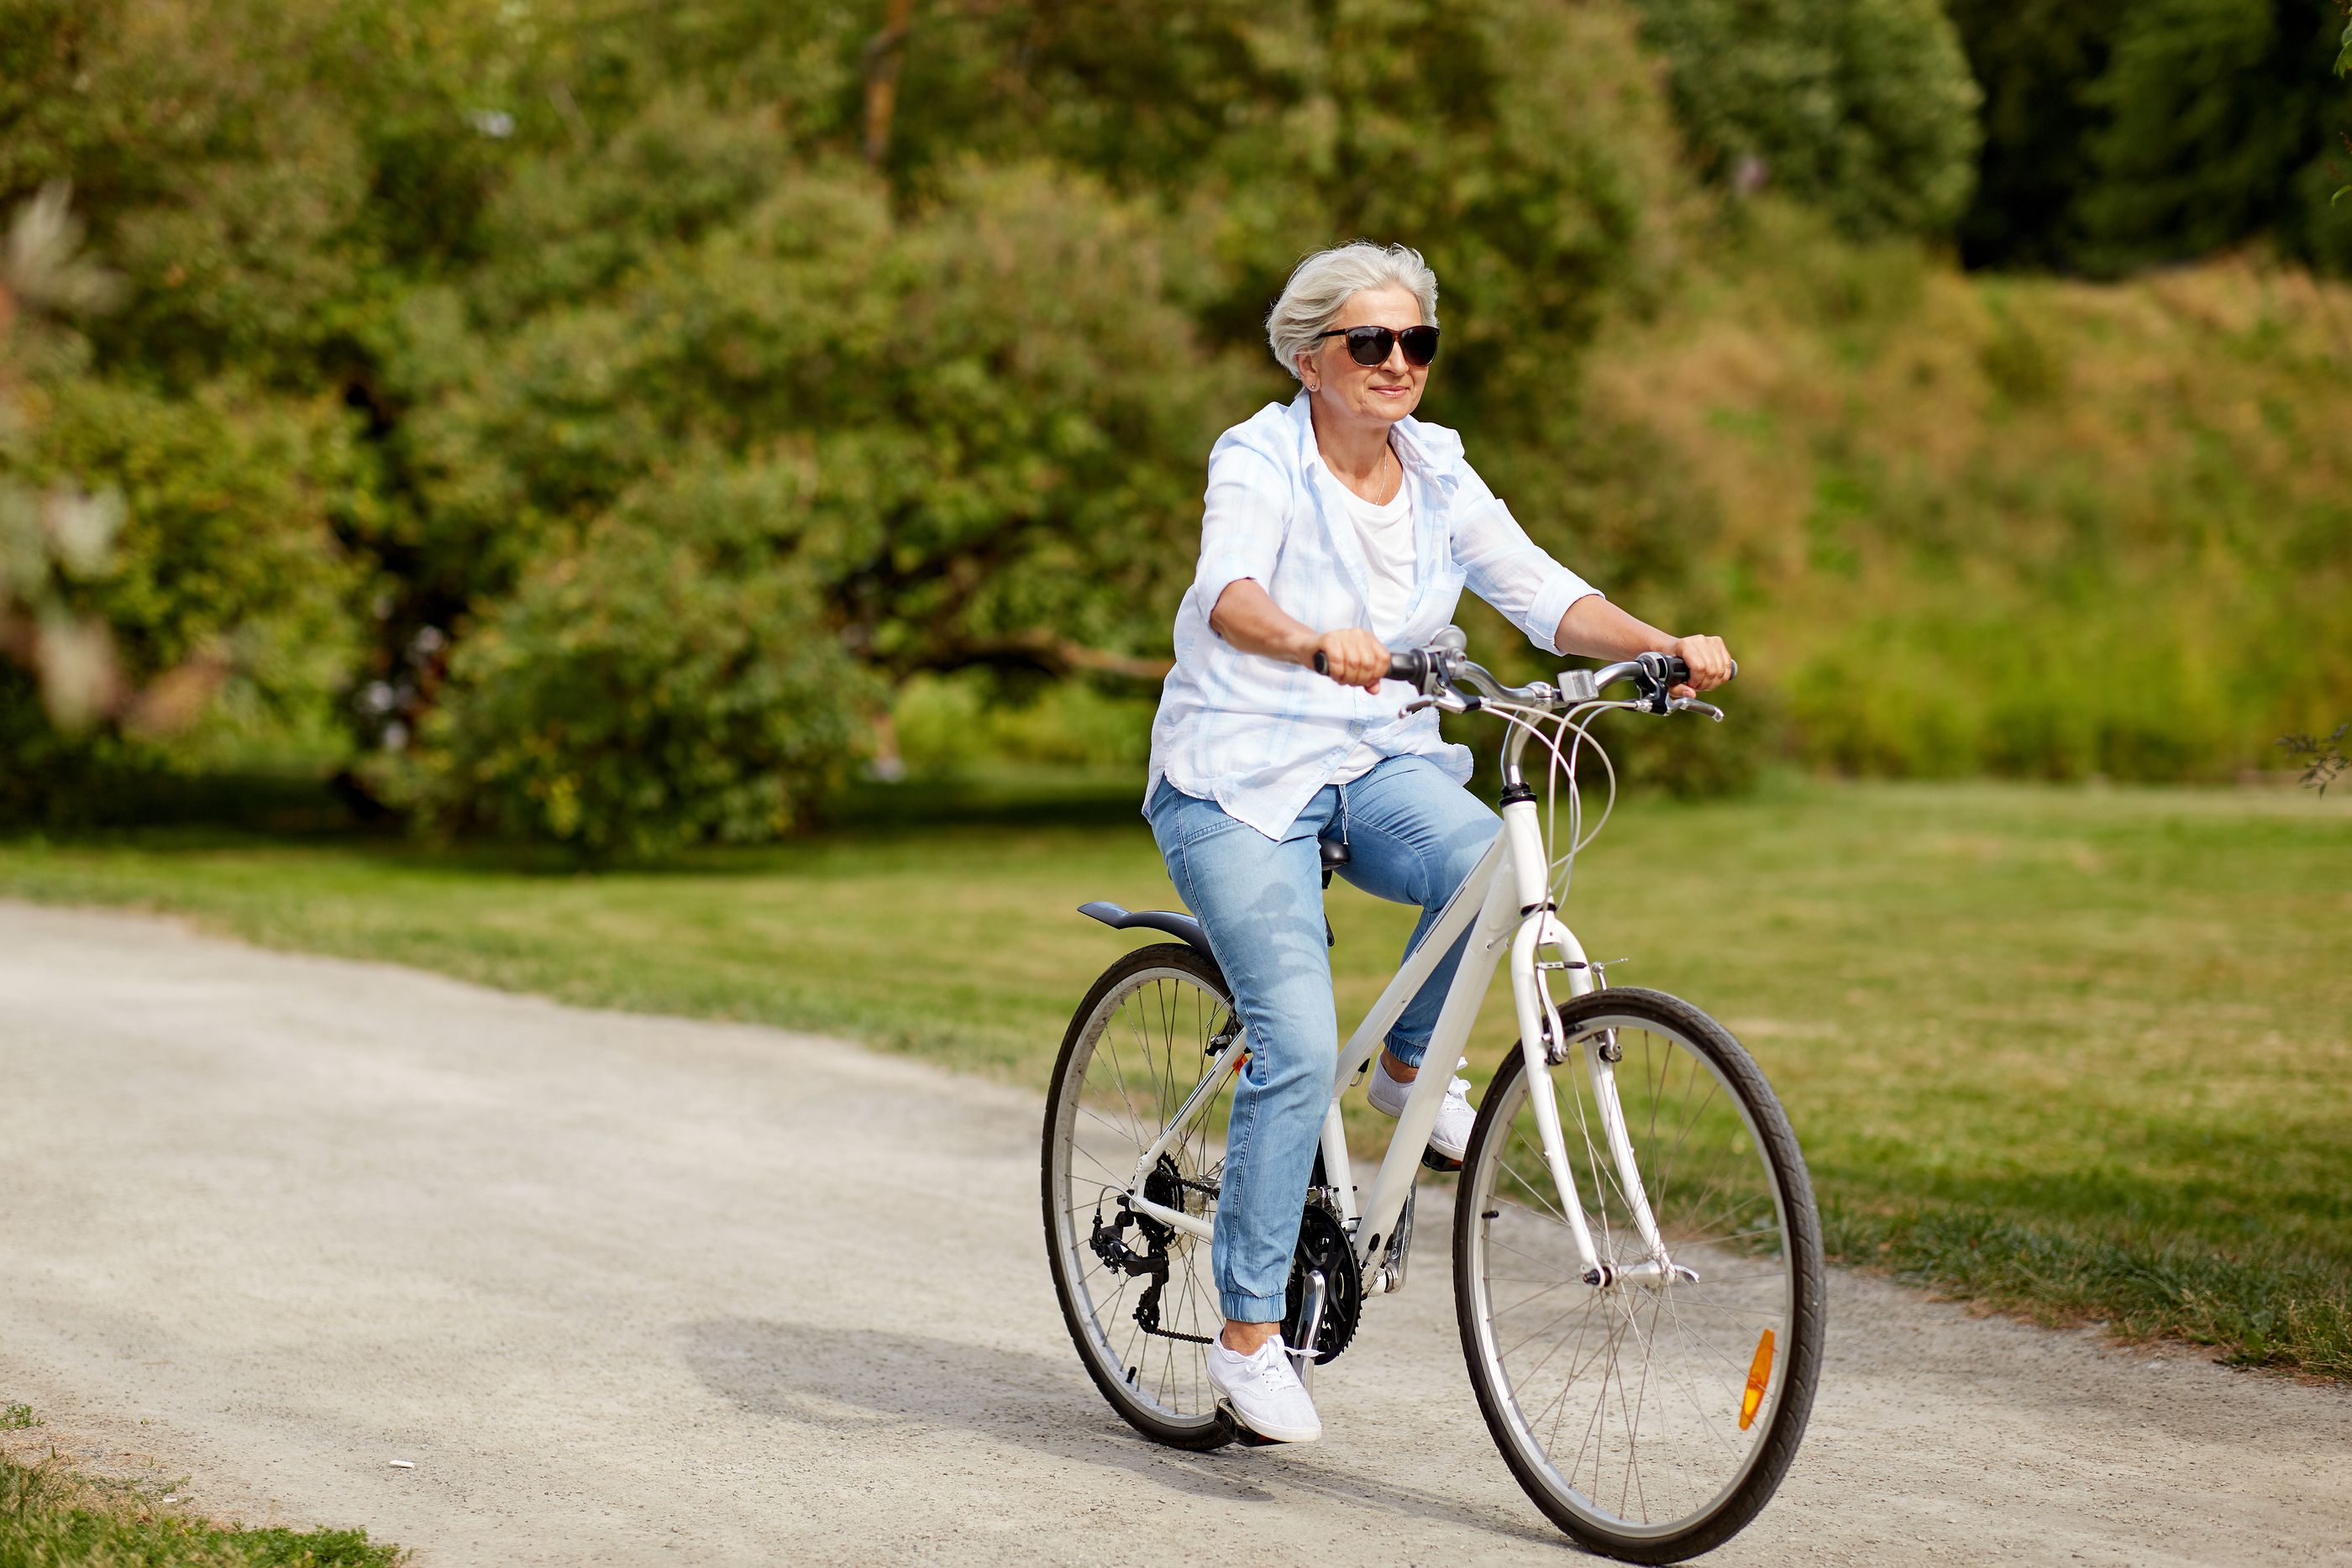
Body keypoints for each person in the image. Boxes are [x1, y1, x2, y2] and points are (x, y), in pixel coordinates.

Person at [1140, 241, 1735, 1445]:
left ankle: (1412, 1071)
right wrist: (1315, 642)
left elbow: (1538, 591)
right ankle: (1249, 1338)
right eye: (1371, 343)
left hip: (1378, 759)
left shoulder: (1439, 468)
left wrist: (1657, 642)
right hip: (1239, 778)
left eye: (1418, 343)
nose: (1398, 363)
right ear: (1312, 359)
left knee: (1496, 870)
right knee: (1297, 1044)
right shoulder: (1259, 456)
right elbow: (1225, 593)